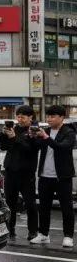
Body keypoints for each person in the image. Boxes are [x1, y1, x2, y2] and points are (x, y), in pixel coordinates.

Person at [33, 105, 75, 248]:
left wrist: (46, 138)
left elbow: (63, 148)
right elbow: (36, 146)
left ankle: (68, 236)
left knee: (66, 207)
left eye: (52, 116)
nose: (49, 119)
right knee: (44, 206)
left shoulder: (69, 132)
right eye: (48, 116)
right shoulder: (46, 131)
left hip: (62, 176)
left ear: (61, 117)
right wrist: (34, 137)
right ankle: (43, 234)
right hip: (45, 175)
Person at [0, 106, 40, 239]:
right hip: (11, 170)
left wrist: (14, 138)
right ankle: (10, 228)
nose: (19, 119)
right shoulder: (14, 129)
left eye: (22, 117)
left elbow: (29, 148)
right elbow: (3, 146)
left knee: (30, 203)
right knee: (10, 202)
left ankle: (33, 231)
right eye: (18, 116)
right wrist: (3, 134)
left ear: (30, 117)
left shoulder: (34, 131)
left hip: (26, 172)